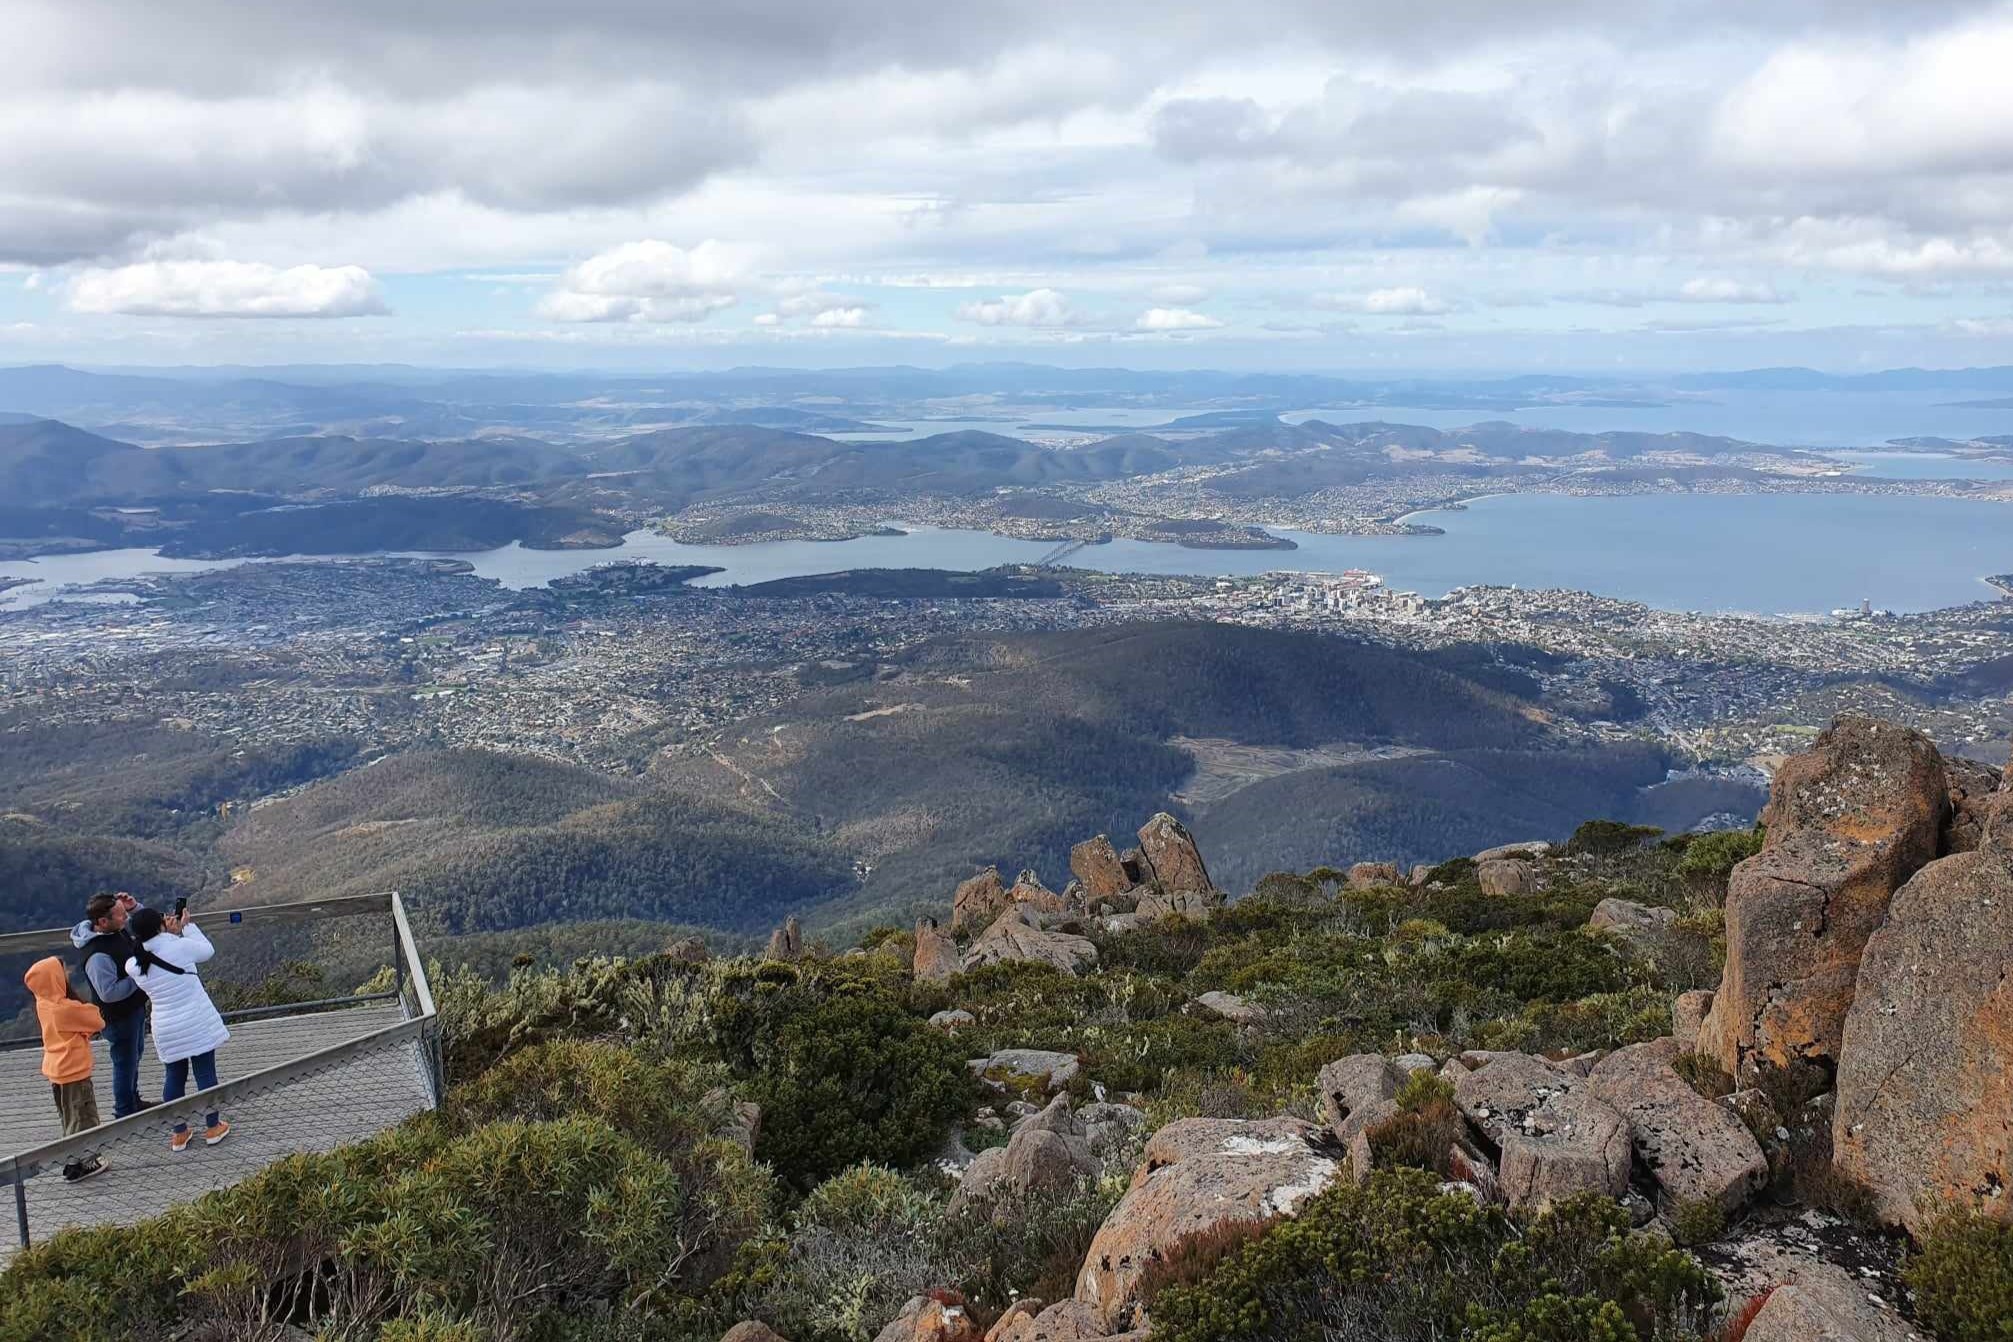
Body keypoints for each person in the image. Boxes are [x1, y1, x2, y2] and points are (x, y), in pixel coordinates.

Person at [123, 908, 232, 1152]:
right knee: (205, 1074)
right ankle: (213, 1127)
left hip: (166, 1026)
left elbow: (152, 953)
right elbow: (207, 951)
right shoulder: (179, 946)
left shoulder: (133, 964)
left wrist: (168, 934)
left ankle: (179, 1134)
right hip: (195, 1020)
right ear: (160, 925)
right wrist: (184, 928)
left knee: (174, 1077)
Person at [24, 957, 110, 1181]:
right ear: (55, 978)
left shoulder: (43, 1003)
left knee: (69, 1117)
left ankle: (73, 1160)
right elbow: (97, 1020)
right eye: (63, 971)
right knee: (84, 1116)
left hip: (56, 1069)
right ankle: (81, 1164)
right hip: (74, 1069)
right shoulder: (64, 1009)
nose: (68, 973)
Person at [69, 891, 153, 1119]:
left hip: (133, 1009)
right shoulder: (97, 955)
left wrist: (134, 907)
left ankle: (133, 1101)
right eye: (120, 915)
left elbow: (147, 926)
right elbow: (109, 993)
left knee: (134, 1055)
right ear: (103, 922)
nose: (125, 918)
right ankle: (124, 1113)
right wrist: (139, 976)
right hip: (118, 1017)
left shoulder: (115, 931)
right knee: (124, 1063)